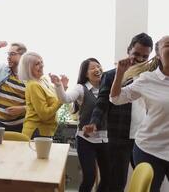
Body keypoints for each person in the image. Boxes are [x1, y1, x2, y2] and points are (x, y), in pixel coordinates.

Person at [85, 33, 153, 192]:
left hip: (143, 138)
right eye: (136, 54)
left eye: (145, 56)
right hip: (118, 138)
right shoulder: (110, 75)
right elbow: (102, 102)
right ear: (129, 50)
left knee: (148, 180)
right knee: (115, 183)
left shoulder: (150, 77)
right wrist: (94, 122)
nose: (140, 59)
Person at [110, 36, 169, 192]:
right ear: (158, 55)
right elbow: (116, 98)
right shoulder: (148, 79)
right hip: (149, 149)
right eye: (168, 45)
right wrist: (119, 74)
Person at [51, 58, 109, 192]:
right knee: (90, 177)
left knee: (107, 178)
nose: (97, 69)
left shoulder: (107, 87)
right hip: (85, 139)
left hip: (105, 139)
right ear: (85, 74)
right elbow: (65, 99)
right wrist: (59, 85)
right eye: (92, 68)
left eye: (98, 66)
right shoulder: (81, 88)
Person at [18, 52, 62, 138]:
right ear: (28, 69)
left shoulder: (43, 80)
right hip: (36, 132)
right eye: (37, 64)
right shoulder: (33, 85)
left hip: (44, 132)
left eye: (41, 62)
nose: (42, 65)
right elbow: (45, 114)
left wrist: (60, 86)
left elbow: (55, 98)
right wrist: (61, 101)